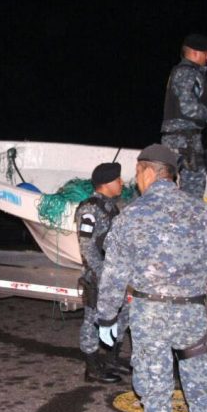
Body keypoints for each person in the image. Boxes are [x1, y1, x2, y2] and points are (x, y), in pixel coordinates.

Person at [96, 144, 207, 412]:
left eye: (138, 172)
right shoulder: (202, 212)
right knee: (201, 390)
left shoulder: (130, 216)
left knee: (155, 393)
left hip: (150, 317)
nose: (136, 179)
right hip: (192, 315)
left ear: (149, 172)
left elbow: (114, 274)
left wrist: (106, 316)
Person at [74, 162, 130, 383]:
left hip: (115, 274)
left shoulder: (111, 206)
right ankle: (92, 368)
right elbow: (87, 246)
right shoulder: (89, 209)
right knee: (93, 320)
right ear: (106, 183)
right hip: (99, 276)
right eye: (118, 179)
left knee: (122, 315)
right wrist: (102, 274)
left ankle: (112, 359)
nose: (122, 182)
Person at [161, 33, 207, 198]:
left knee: (184, 187)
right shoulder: (187, 72)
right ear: (195, 53)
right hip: (182, 139)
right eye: (205, 52)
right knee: (193, 188)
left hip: (184, 138)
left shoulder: (189, 72)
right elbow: (188, 107)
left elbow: (190, 102)